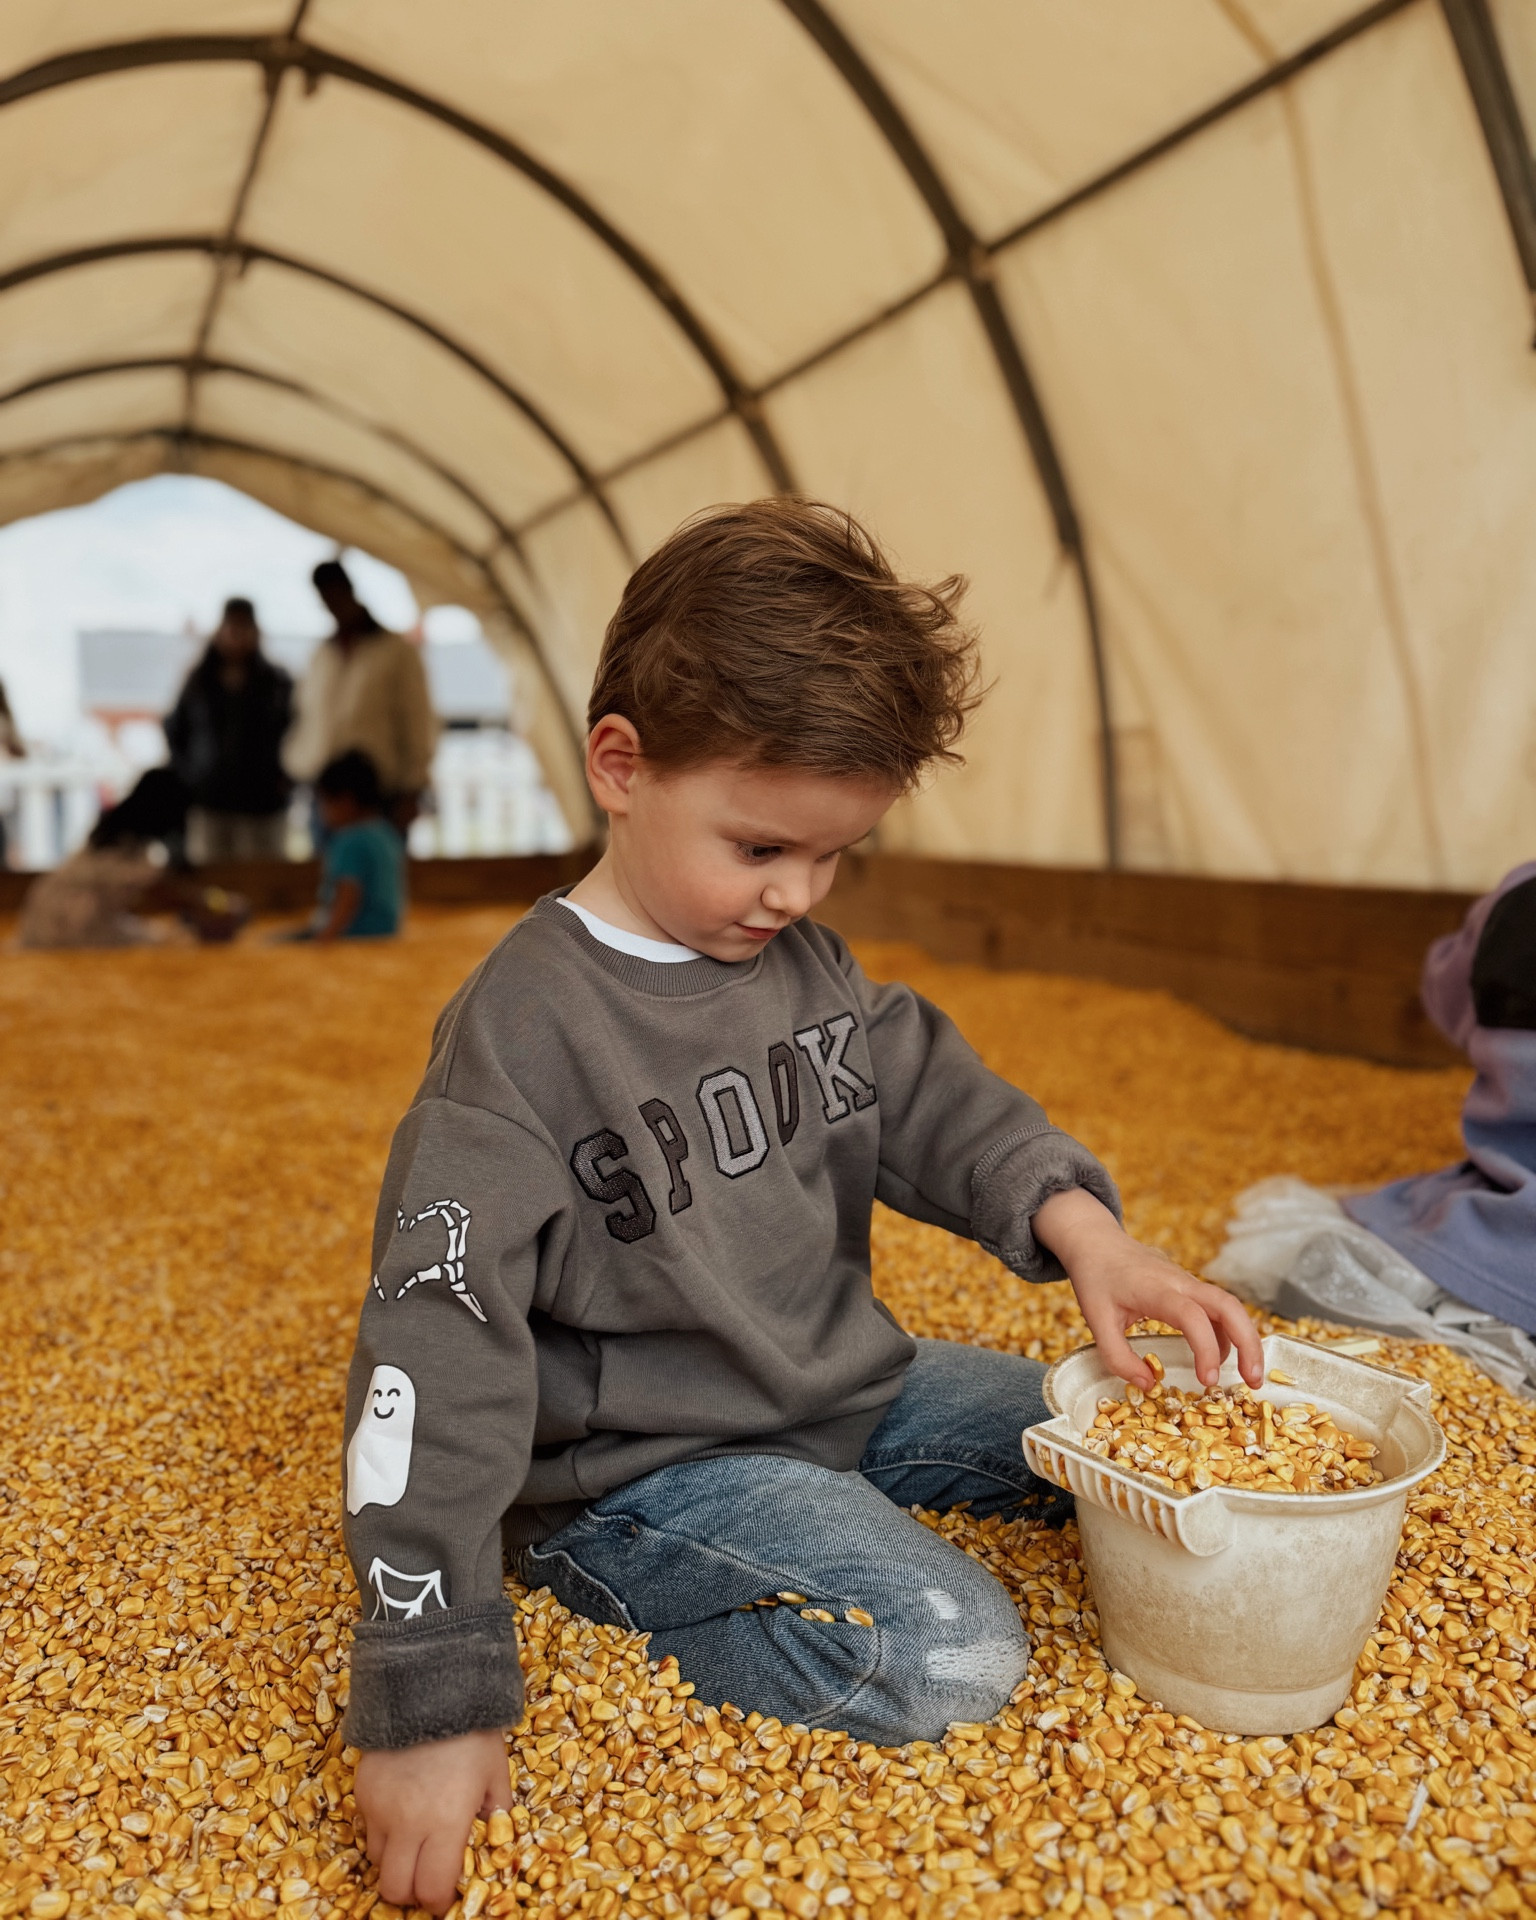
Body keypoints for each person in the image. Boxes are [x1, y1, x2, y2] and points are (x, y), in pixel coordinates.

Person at [339, 501, 1263, 1915]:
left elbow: (925, 1090)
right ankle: (612, 1584)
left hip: (845, 1389)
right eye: (763, 846)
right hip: (649, 1466)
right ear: (620, 766)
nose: (796, 894)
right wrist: (429, 1689)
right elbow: (433, 1348)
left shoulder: (802, 964)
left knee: (1125, 1444)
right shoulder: (522, 1040)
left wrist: (1089, 1232)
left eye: (835, 856)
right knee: (949, 1653)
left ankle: (826, 1504)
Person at [282, 560, 438, 836]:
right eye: (325, 596)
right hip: (327, 795)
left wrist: (413, 787)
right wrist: (296, 766)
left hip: (380, 797)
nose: (332, 602)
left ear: (349, 590)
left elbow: (417, 720)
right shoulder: (322, 655)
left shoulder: (395, 652)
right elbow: (305, 717)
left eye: (335, 592)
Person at [18, 767, 246, 948]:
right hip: (68, 924)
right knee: (160, 943)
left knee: (155, 934)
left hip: (47, 911)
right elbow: (163, 890)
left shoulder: (114, 829)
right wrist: (216, 904)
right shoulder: (126, 841)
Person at [164, 597, 293, 863]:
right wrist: (190, 776)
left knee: (261, 874)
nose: (238, 637)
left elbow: (295, 733)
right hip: (211, 800)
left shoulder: (276, 682)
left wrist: (285, 779)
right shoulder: (200, 680)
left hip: (262, 804)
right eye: (232, 628)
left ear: (256, 632)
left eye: (244, 628)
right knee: (210, 873)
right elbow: (175, 729)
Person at [299, 750, 406, 941]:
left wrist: (327, 935)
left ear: (346, 802)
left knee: (277, 941)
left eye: (325, 802)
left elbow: (348, 895)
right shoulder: (386, 832)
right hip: (387, 929)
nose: (322, 812)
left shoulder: (349, 841)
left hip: (355, 932)